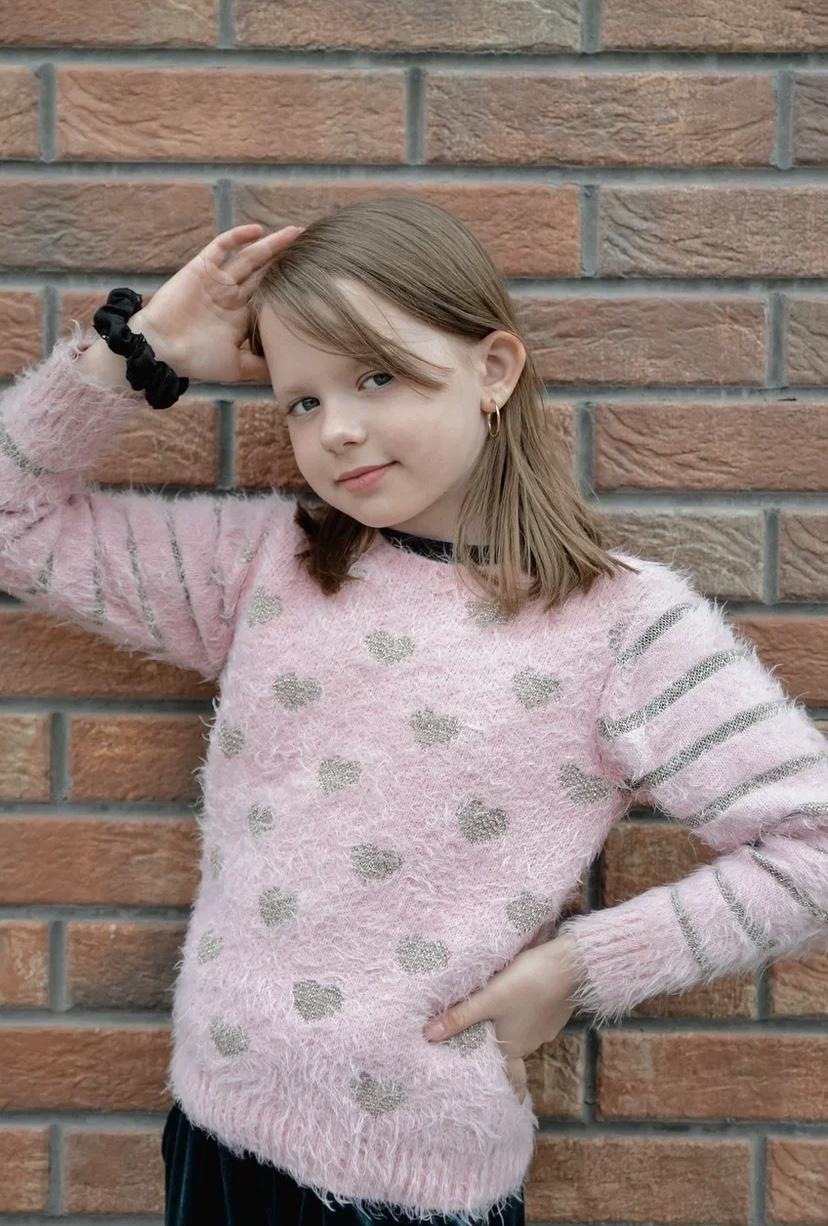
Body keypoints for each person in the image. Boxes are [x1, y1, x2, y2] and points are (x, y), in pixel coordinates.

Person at [1, 196, 826, 1226]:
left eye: (377, 377)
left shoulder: (622, 624)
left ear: (494, 369)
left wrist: (577, 970)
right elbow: (14, 522)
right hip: (217, 1132)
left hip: (418, 1183)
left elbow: (813, 843)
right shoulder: (265, 566)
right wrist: (140, 352)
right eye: (302, 401)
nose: (337, 429)